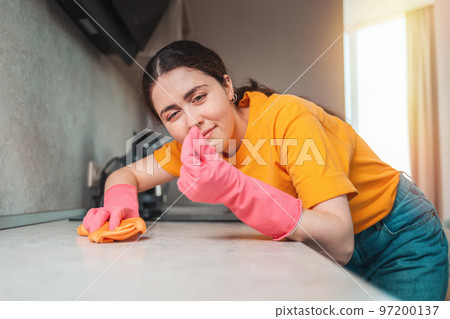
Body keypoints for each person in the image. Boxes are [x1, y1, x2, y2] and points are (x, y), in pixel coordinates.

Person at [82, 40, 448, 301]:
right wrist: (120, 203)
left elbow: (339, 241)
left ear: (226, 86)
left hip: (399, 236)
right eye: (173, 114)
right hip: (324, 249)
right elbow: (125, 174)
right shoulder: (192, 146)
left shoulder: (289, 119)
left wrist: (234, 189)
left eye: (198, 97)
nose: (193, 121)